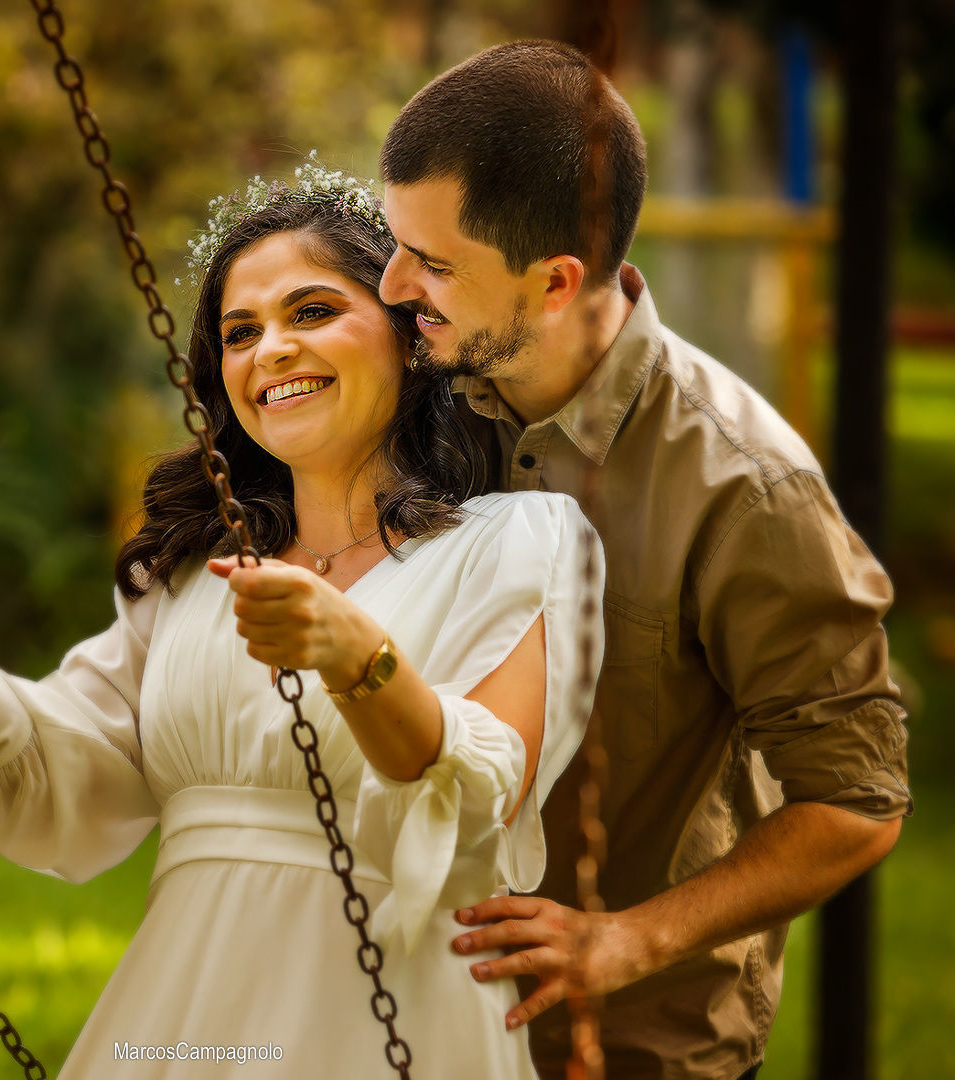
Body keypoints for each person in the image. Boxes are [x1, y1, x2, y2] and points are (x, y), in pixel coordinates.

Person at [0, 167, 605, 1077]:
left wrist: (357, 658)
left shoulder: (518, 541)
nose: (272, 351)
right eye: (239, 333)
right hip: (185, 1015)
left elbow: (480, 795)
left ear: (411, 336)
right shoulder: (192, 571)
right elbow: (53, 761)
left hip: (394, 1016)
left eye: (311, 312)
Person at [374, 40, 911, 1080]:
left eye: (431, 264)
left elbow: (856, 800)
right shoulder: (411, 393)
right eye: (396, 244)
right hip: (397, 1029)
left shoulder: (745, 488)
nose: (393, 284)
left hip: (623, 1053)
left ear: (556, 282)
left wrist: (630, 939)